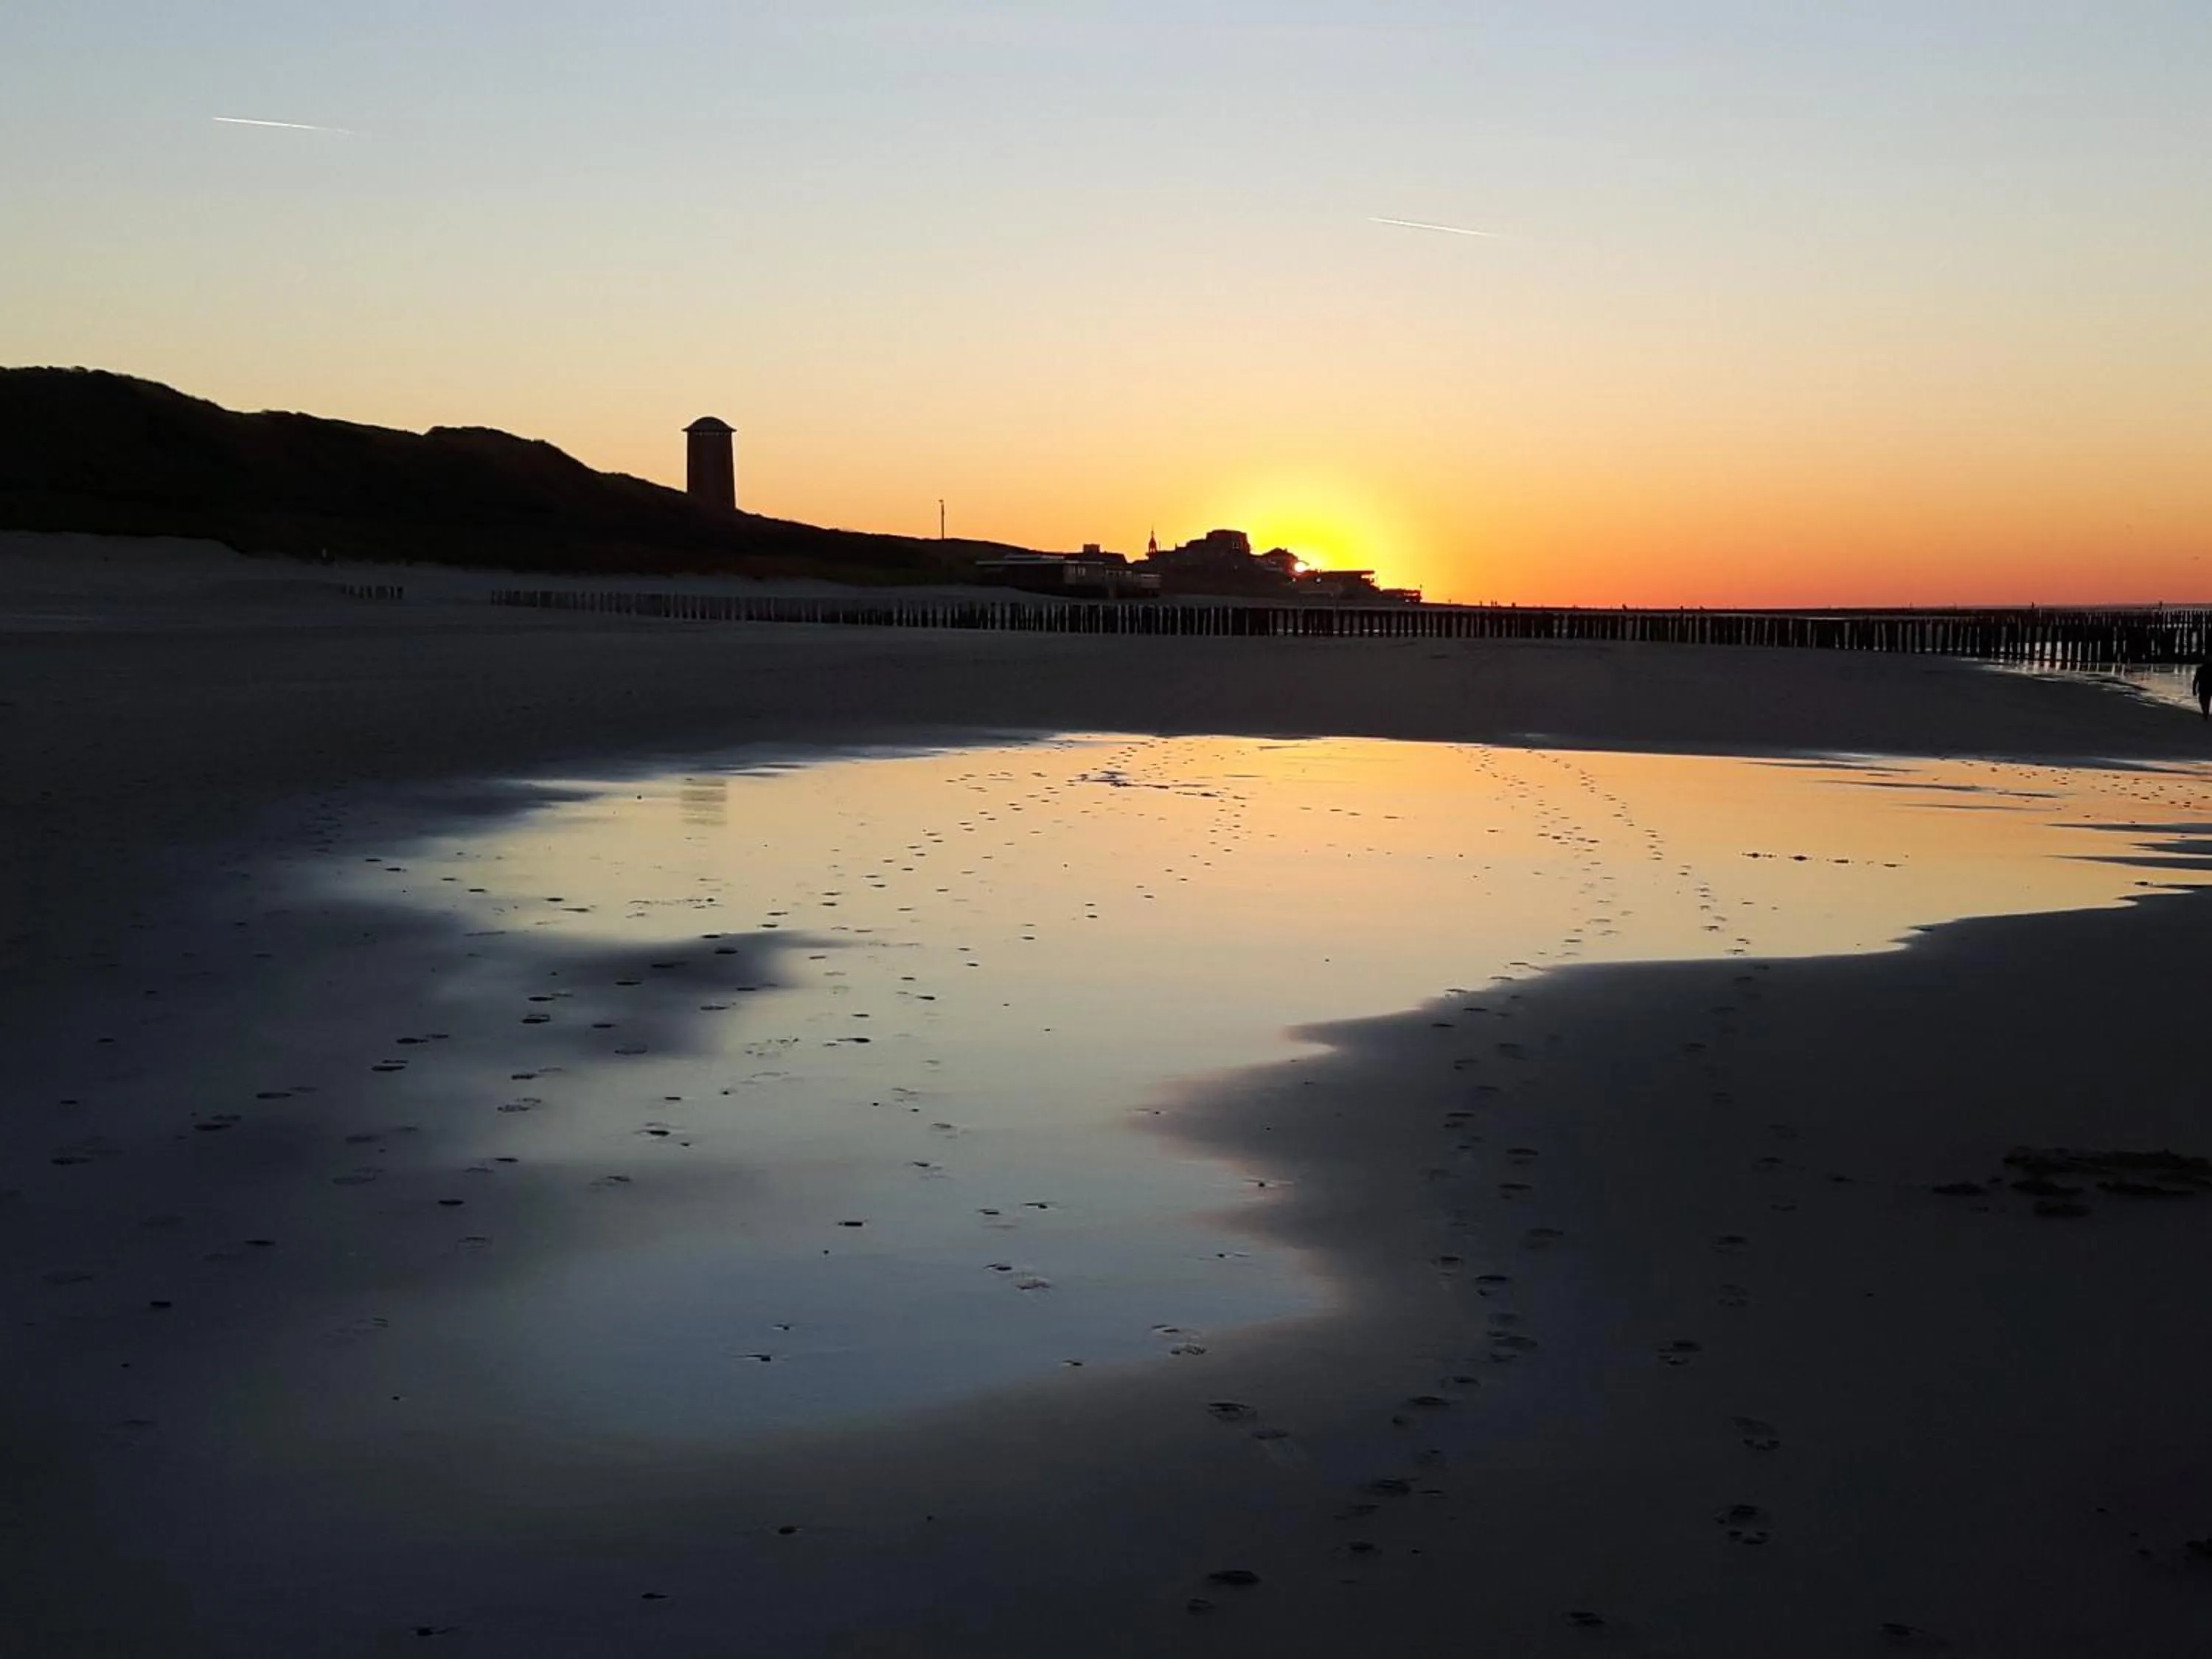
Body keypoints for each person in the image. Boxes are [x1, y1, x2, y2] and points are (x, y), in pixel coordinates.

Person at [2194, 654, 2212, 720]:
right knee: (2204, 701)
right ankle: (2205, 713)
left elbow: (2196, 680)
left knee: (2205, 701)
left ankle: (2205, 714)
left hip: (2207, 688)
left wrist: (2194, 689)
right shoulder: (2200, 669)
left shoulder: (2201, 669)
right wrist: (2194, 689)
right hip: (2204, 687)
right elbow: (2196, 679)